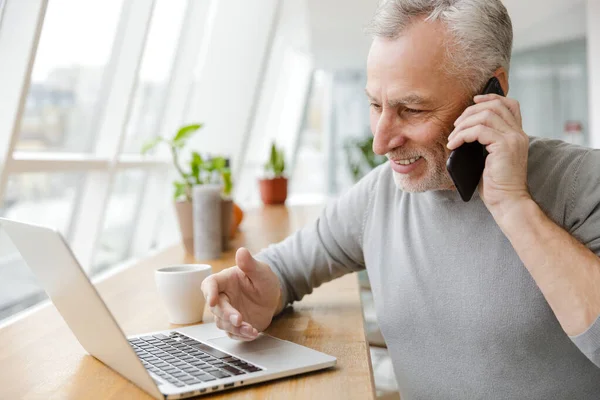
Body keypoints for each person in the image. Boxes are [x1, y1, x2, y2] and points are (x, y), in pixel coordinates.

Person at [201, 0, 600, 398]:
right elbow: (285, 269)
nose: (380, 142)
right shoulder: (380, 195)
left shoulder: (583, 183)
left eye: (411, 109)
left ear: (491, 91)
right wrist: (256, 293)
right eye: (375, 105)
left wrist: (513, 204)